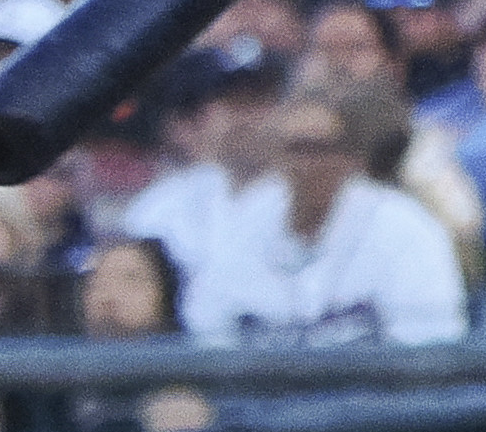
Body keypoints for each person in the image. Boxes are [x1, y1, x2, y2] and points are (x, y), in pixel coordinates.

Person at [180, 84, 467, 345]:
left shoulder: (405, 227)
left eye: (320, 149)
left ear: (352, 157)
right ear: (276, 156)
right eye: (295, 150)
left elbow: (430, 347)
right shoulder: (245, 221)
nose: (307, 165)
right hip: (262, 398)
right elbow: (207, 332)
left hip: (374, 396)